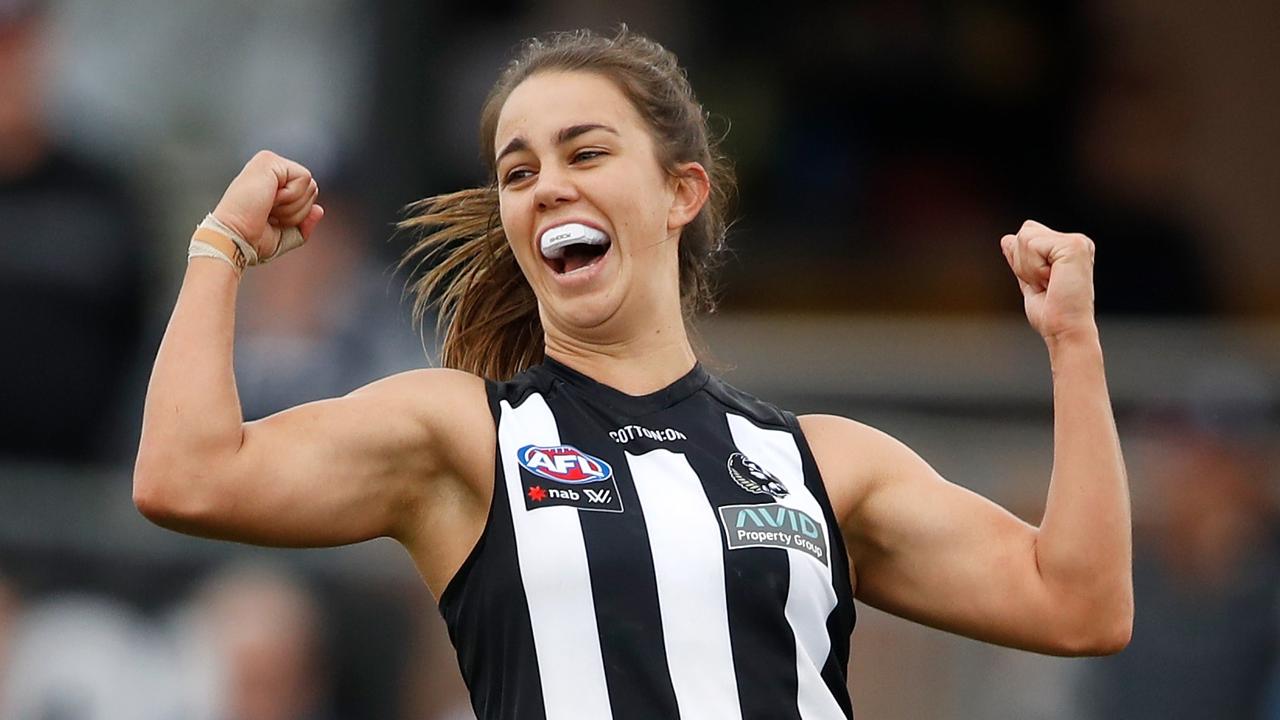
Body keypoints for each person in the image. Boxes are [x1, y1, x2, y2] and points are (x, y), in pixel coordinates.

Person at [133, 28, 1133, 719]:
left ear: (678, 193)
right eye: (517, 171)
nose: (546, 184)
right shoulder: (464, 439)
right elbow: (185, 476)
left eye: (584, 150)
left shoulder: (821, 463)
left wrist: (1072, 344)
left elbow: (1078, 604)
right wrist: (219, 247)